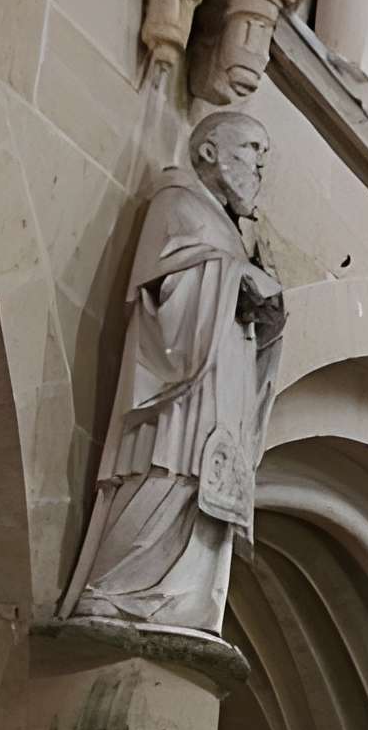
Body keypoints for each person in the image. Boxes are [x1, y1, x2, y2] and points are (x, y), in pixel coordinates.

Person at [65, 110, 286, 634]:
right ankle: (119, 592)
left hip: (222, 391)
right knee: (164, 476)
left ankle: (183, 605)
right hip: (180, 396)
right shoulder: (179, 203)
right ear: (209, 150)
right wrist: (235, 280)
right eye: (252, 148)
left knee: (202, 498)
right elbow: (161, 300)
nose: (259, 165)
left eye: (264, 156)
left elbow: (248, 318)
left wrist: (268, 311)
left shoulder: (233, 232)